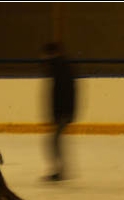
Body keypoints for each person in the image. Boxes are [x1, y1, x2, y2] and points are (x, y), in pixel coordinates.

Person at [42, 42, 76, 180]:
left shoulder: (60, 68)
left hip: (62, 111)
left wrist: (58, 113)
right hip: (64, 111)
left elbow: (60, 93)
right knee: (55, 141)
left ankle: (61, 171)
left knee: (54, 142)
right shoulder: (62, 67)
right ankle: (60, 170)